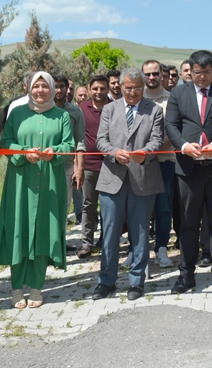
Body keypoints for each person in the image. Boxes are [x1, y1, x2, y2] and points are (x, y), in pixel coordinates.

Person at [0, 71, 75, 309]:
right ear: (29, 88)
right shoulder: (17, 113)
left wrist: (55, 151)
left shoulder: (62, 116)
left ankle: (37, 287)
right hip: (20, 181)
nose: (40, 91)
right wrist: (22, 152)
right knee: (19, 228)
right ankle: (17, 288)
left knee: (43, 231)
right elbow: (6, 142)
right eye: (36, 86)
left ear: (53, 89)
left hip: (50, 180)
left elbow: (69, 144)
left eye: (45, 87)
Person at [165, 50, 212, 295]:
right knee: (187, 223)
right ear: (191, 70)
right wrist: (185, 147)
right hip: (189, 169)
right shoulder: (178, 93)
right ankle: (186, 275)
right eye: (197, 72)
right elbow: (172, 126)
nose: (201, 77)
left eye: (206, 72)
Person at [92, 68, 166, 301]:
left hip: (143, 178)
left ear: (143, 87)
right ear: (121, 87)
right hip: (112, 178)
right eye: (128, 87)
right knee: (110, 232)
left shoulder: (154, 110)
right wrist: (115, 153)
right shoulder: (109, 109)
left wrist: (146, 152)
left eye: (136, 87)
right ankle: (106, 281)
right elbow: (100, 141)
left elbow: (157, 139)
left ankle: (136, 281)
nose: (132, 92)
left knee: (141, 232)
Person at [142, 59, 175, 268]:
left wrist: (153, 150)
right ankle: (138, 250)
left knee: (163, 208)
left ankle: (162, 248)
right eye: (148, 74)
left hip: (164, 160)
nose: (152, 77)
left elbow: (174, 131)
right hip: (140, 163)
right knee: (140, 209)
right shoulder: (136, 98)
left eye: (156, 74)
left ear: (162, 75)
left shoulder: (172, 99)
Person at [75, 75, 110, 259]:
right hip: (88, 166)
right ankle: (86, 243)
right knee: (88, 205)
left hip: (111, 166)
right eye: (95, 88)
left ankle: (106, 241)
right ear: (89, 89)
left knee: (108, 206)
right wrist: (77, 167)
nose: (99, 92)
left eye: (102, 88)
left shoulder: (115, 108)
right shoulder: (80, 110)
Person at [53, 74, 86, 228]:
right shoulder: (41, 110)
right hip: (42, 165)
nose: (58, 90)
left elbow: (80, 142)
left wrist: (79, 169)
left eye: (62, 86)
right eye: (55, 86)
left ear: (67, 89)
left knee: (62, 207)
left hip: (66, 166)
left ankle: (59, 245)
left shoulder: (75, 112)